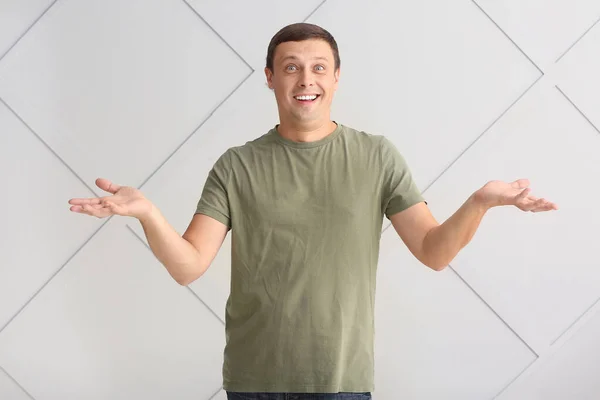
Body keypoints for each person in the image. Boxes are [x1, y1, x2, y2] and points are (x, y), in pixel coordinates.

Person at [68, 22, 558, 400]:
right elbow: (189, 265)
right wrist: (148, 213)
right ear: (269, 78)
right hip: (253, 379)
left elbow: (432, 251)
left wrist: (480, 202)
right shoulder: (237, 166)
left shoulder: (376, 156)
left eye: (319, 67)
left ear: (337, 77)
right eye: (291, 67)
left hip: (339, 381)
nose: (306, 80)